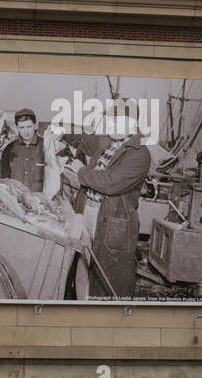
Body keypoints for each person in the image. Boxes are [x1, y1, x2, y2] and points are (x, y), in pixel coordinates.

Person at [56, 116, 151, 299]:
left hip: (111, 220)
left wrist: (80, 170)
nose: (111, 125)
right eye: (111, 120)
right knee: (83, 265)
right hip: (87, 212)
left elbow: (110, 182)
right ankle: (81, 303)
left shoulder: (140, 153)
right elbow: (82, 139)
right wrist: (59, 128)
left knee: (105, 273)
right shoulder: (107, 142)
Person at [0, 108, 45, 192]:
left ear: (35, 125)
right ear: (17, 128)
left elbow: (56, 179)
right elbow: (2, 181)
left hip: (41, 202)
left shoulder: (46, 147)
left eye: (29, 127)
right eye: (22, 127)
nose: (26, 131)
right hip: (16, 201)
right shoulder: (9, 150)